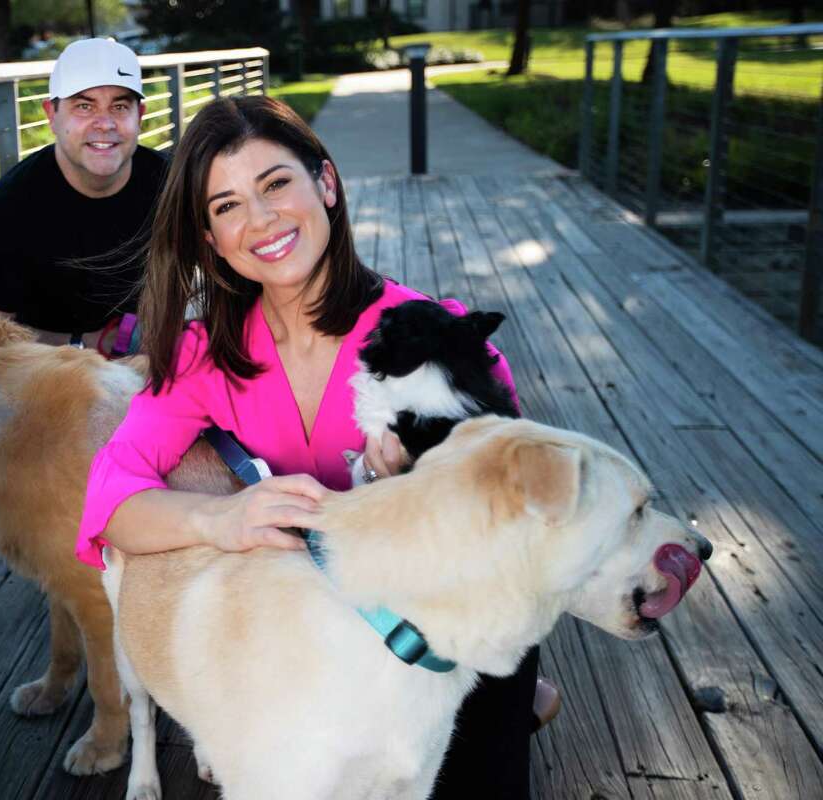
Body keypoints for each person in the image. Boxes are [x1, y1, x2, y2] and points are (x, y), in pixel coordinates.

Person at [76, 95, 544, 797]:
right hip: (307, 634)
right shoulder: (205, 352)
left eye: (276, 184)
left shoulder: (439, 341)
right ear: (208, 238)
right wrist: (220, 519)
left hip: (436, 635)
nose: (260, 221)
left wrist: (420, 486)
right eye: (227, 206)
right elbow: (110, 501)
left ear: (325, 184)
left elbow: (516, 518)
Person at [0, 37, 168, 354]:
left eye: (120, 106)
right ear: (51, 115)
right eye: (84, 106)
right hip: (46, 383)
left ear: (140, 115)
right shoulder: (6, 209)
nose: (105, 123)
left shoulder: (174, 185)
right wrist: (83, 346)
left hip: (157, 369)